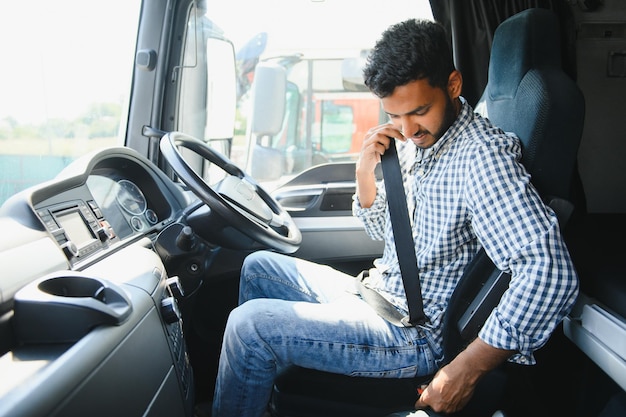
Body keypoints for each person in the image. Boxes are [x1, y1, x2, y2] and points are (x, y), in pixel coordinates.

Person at [211, 18, 579, 417]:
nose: (406, 129)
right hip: (380, 294)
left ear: (453, 86)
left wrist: (466, 369)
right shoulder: (416, 144)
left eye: (418, 111)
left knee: (250, 328)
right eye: (394, 114)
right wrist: (364, 176)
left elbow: (549, 272)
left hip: (410, 333)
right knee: (257, 267)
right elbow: (385, 235)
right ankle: (259, 395)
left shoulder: (480, 159)